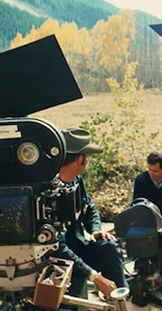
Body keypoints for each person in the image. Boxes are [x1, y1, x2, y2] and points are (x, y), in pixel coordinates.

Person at [52, 128, 126, 299]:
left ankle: (119, 299)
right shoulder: (50, 192)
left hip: (79, 246)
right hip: (62, 258)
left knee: (109, 247)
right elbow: (57, 247)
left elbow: (90, 207)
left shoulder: (76, 182)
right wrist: (95, 277)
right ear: (81, 159)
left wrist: (95, 229)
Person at [132, 151, 162, 227]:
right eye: (149, 170)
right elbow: (136, 205)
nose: (151, 173)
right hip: (146, 221)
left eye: (155, 171)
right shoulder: (141, 180)